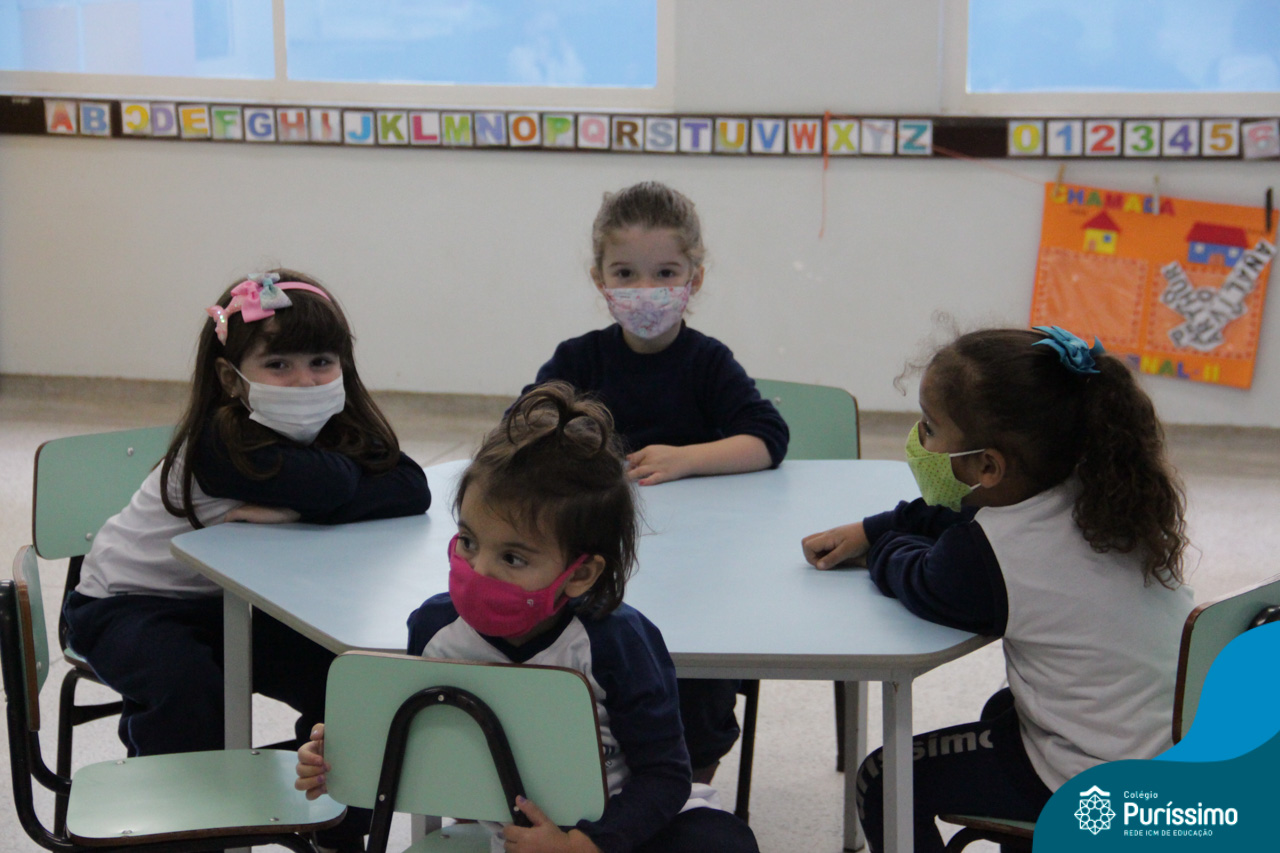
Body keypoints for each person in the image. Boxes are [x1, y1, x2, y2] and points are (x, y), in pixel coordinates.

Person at [296, 383, 760, 853]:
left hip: (628, 827)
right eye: (469, 541)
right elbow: (417, 742)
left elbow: (664, 776)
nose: (479, 571)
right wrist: (341, 759)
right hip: (516, 838)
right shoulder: (435, 629)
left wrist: (582, 845)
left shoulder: (618, 640)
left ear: (581, 575)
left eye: (513, 558)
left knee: (721, 843)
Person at [800, 326, 1194, 853]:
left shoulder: (985, 558)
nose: (919, 441)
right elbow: (959, 515)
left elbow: (922, 577)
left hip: (1099, 785)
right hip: (1179, 752)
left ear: (988, 465)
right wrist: (873, 528)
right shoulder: (1099, 495)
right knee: (1001, 710)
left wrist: (880, 548)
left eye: (930, 428)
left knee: (883, 780)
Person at [64, 269, 432, 761]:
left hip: (229, 604)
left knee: (343, 673)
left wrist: (296, 510)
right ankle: (182, 806)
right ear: (229, 379)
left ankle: (327, 793)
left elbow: (411, 486)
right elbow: (332, 485)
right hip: (125, 604)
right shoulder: (219, 443)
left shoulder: (324, 425)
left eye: (321, 362)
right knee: (187, 687)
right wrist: (320, 497)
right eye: (278, 365)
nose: (305, 381)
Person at [525, 181, 790, 782]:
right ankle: (596, 761)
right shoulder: (579, 359)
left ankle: (691, 781)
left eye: (665, 273)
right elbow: (528, 425)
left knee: (697, 675)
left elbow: (767, 438)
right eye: (625, 273)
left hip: (697, 560)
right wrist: (578, 446)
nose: (645, 290)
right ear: (600, 280)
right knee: (588, 644)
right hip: (600, 554)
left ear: (695, 278)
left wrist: (687, 458)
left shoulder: (707, 361)